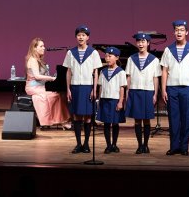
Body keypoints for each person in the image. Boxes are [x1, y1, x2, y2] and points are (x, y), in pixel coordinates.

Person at [161, 19, 189, 156]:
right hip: (172, 88)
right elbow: (165, 71)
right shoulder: (168, 50)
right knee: (173, 119)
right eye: (177, 30)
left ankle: (184, 147)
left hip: (188, 88)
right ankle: (174, 147)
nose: (179, 32)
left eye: (182, 30)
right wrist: (163, 89)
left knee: (186, 118)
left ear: (187, 32)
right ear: (174, 32)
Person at [62, 25, 102, 153]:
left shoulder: (93, 52)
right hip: (75, 87)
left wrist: (94, 89)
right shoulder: (70, 52)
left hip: (87, 87)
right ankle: (78, 143)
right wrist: (68, 89)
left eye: (83, 35)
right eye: (79, 35)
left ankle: (86, 144)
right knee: (77, 116)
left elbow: (96, 72)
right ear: (76, 37)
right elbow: (68, 72)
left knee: (88, 117)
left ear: (87, 37)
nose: (81, 37)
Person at [124, 32, 161, 154]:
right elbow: (128, 77)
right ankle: (139, 145)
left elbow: (156, 78)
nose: (141, 44)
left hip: (148, 91)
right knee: (137, 120)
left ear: (148, 43)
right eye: (139, 41)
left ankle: (146, 145)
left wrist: (155, 94)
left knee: (146, 120)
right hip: (135, 91)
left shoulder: (154, 60)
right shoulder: (131, 59)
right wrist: (127, 93)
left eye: (143, 42)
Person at [24, 38, 71, 130]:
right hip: (33, 87)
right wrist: (52, 78)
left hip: (40, 86)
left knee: (60, 93)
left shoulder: (38, 60)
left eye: (43, 46)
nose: (44, 48)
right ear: (34, 48)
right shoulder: (32, 60)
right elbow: (37, 76)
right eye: (41, 46)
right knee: (55, 95)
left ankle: (62, 119)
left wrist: (52, 78)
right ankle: (58, 121)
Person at [98, 46, 126, 153]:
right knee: (106, 123)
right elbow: (100, 86)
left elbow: (122, 87)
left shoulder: (120, 72)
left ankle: (114, 144)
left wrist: (120, 102)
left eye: (110, 56)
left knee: (115, 123)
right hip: (105, 100)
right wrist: (99, 99)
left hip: (115, 100)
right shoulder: (103, 72)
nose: (107, 58)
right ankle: (108, 145)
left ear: (117, 57)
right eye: (106, 56)